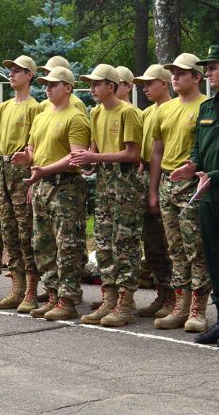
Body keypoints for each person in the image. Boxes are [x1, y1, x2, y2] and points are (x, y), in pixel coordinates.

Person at [172, 45, 219, 347]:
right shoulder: (208, 107)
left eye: (213, 67)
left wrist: (217, 175)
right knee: (217, 259)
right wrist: (193, 166)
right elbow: (199, 147)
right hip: (209, 195)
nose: (208, 72)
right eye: (207, 67)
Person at [12, 66, 91, 320]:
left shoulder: (75, 117)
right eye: (46, 84)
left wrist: (44, 169)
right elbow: (34, 149)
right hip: (42, 183)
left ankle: (67, 299)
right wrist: (27, 157)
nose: (47, 88)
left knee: (66, 244)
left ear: (68, 88)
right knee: (42, 243)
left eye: (54, 84)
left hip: (65, 186)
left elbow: (76, 157)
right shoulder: (42, 114)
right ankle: (54, 295)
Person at [73, 64, 144, 327]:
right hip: (105, 185)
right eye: (90, 84)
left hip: (125, 187)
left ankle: (125, 303)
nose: (92, 89)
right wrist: (87, 161)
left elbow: (132, 154)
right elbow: (94, 149)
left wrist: (95, 157)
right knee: (103, 245)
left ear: (111, 86)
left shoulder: (129, 113)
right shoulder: (96, 112)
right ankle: (110, 298)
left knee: (124, 245)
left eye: (96, 84)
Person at [151, 54, 210, 332]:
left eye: (181, 73)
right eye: (172, 72)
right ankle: (180, 305)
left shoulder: (207, 107)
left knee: (195, 248)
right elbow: (157, 151)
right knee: (175, 249)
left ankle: (198, 308)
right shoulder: (164, 109)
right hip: (167, 183)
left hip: (191, 186)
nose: (175, 77)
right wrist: (153, 189)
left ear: (196, 77)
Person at [0, 56, 43, 312]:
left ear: (29, 75)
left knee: (25, 230)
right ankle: (17, 286)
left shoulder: (35, 107)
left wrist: (32, 179)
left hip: (23, 169)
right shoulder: (4, 107)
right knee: (9, 229)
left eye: (17, 71)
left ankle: (31, 288)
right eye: (9, 70)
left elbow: (36, 147)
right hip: (5, 168)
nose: (11, 74)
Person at [133, 64, 174, 318]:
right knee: (152, 241)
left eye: (150, 83)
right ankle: (162, 292)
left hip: (168, 176)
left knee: (170, 241)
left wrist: (155, 189)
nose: (145, 88)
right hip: (147, 173)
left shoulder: (173, 109)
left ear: (164, 83)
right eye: (143, 84)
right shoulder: (147, 113)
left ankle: (175, 296)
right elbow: (145, 149)